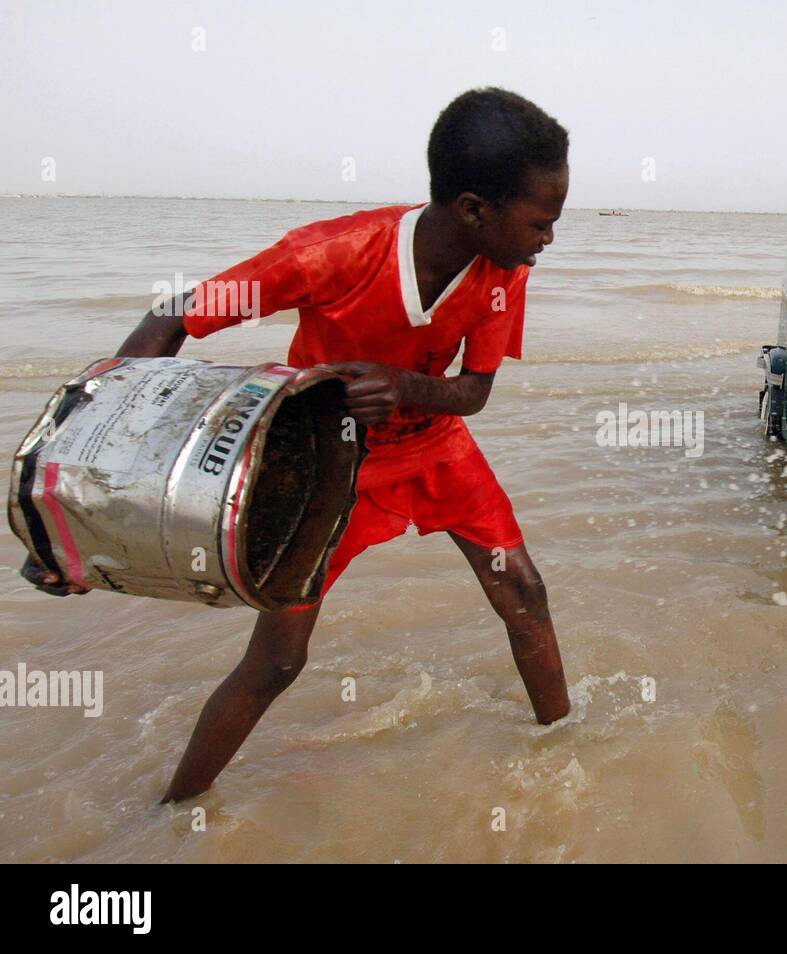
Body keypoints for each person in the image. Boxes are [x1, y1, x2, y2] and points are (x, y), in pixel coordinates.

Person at [22, 87, 572, 802]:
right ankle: (172, 811)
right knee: (279, 662)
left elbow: (473, 392)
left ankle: (567, 755)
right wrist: (84, 484)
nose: (549, 240)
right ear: (474, 209)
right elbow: (175, 318)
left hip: (438, 449)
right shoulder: (332, 255)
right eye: (543, 221)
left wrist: (401, 386)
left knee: (525, 593)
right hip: (324, 469)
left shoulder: (505, 275)